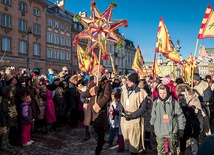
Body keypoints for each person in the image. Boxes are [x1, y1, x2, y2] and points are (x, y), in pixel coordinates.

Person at [83, 64, 111, 155]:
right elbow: (86, 94)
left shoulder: (106, 83)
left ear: (101, 73)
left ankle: (99, 147)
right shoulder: (92, 82)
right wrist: (92, 91)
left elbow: (107, 97)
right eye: (95, 72)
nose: (96, 74)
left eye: (97, 72)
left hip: (99, 110)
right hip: (91, 109)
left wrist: (98, 105)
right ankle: (101, 141)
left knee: (99, 129)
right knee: (91, 128)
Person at [150, 84, 186, 155]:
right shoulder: (156, 103)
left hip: (171, 131)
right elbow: (153, 116)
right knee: (160, 150)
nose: (162, 95)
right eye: (160, 93)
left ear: (167, 92)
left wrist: (181, 129)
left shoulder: (173, 102)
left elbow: (180, 116)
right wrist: (152, 125)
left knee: (173, 149)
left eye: (164, 93)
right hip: (159, 130)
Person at [120, 73, 149, 155]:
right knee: (127, 137)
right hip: (125, 118)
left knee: (134, 138)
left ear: (134, 82)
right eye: (127, 81)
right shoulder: (124, 90)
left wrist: (132, 116)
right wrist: (122, 111)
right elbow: (121, 102)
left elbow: (143, 108)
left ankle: (134, 152)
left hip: (135, 119)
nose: (127, 82)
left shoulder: (141, 92)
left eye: (129, 81)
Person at [176, 83, 201, 155]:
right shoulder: (179, 101)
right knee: (182, 138)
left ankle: (195, 152)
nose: (183, 94)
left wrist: (191, 107)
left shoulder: (194, 98)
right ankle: (182, 150)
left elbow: (197, 111)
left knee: (193, 139)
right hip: (183, 124)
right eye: (181, 92)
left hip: (193, 123)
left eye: (184, 92)